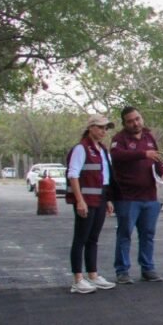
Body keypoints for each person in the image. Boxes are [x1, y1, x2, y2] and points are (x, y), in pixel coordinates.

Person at [110, 106, 163, 284]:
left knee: (148, 234)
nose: (135, 123)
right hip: (128, 197)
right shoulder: (119, 140)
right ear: (124, 123)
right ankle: (122, 270)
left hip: (150, 195)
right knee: (125, 233)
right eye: (130, 121)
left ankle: (148, 268)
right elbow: (117, 156)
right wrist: (142, 153)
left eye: (137, 119)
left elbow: (156, 159)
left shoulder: (149, 137)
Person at [66, 115, 117, 294]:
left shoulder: (102, 149)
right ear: (91, 128)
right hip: (86, 200)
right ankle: (78, 278)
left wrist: (108, 199)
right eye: (101, 127)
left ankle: (93, 275)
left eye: (106, 128)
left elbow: (105, 176)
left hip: (100, 198)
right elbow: (73, 175)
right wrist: (80, 200)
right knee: (80, 238)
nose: (104, 131)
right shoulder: (81, 149)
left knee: (93, 239)